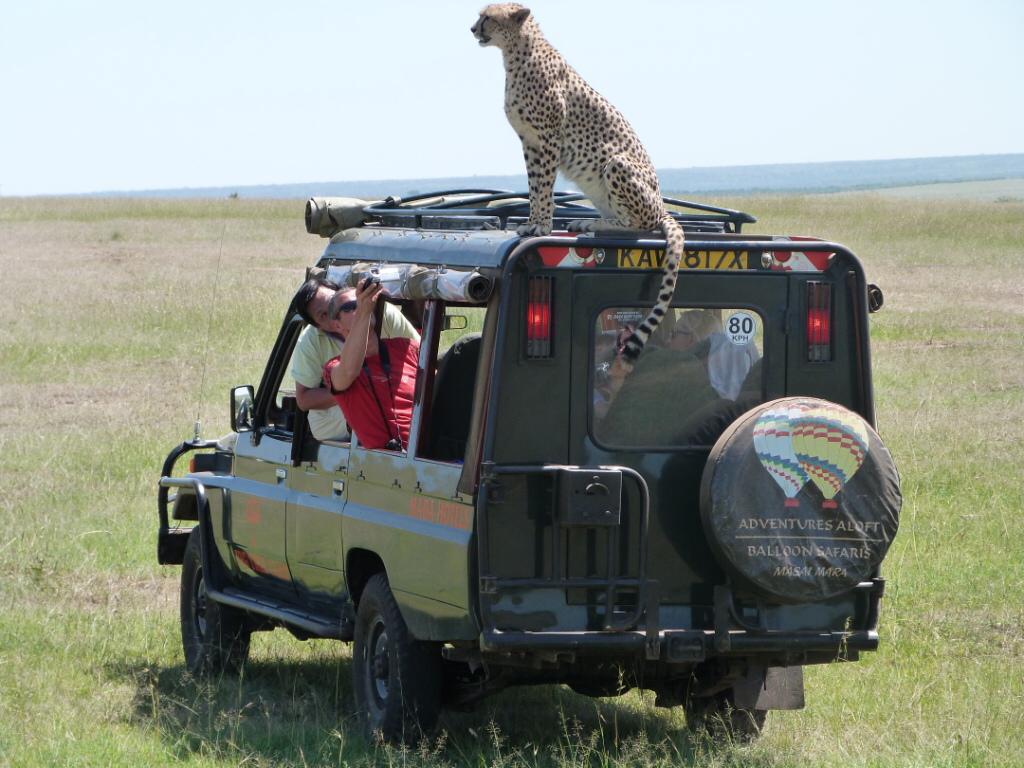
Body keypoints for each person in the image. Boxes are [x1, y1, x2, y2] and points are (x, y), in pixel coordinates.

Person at [292, 275, 419, 441]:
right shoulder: (332, 364)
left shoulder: (404, 344)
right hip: (338, 430)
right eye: (324, 314)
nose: (357, 310)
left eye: (353, 304)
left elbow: (425, 363)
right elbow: (345, 374)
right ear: (319, 327)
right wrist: (354, 392)